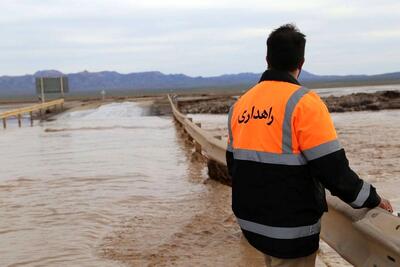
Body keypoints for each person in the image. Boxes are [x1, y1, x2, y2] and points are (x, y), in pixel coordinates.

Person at [226, 24, 393, 267]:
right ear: (301, 63)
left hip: (253, 225)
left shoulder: (240, 105)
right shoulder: (305, 103)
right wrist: (372, 198)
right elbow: (333, 172)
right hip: (290, 232)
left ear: (267, 59)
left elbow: (234, 166)